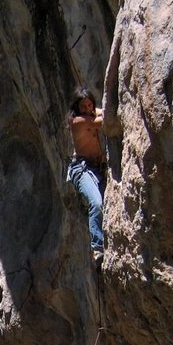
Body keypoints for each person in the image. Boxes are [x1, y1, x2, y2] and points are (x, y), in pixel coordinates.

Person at [66, 86, 106, 265]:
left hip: (97, 168)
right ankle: (97, 248)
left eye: (90, 105)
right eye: (83, 106)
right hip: (81, 169)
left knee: (105, 204)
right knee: (97, 203)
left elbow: (102, 112)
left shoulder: (90, 114)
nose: (88, 109)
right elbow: (102, 121)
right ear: (77, 108)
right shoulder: (77, 121)